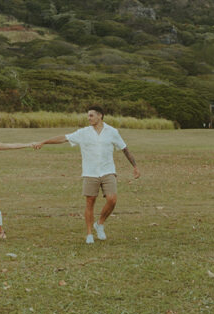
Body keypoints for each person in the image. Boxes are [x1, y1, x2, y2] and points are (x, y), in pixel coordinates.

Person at [34, 105, 140, 244]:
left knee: (112, 199)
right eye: (88, 115)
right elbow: (64, 138)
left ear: (100, 116)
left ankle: (100, 224)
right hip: (90, 173)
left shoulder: (112, 132)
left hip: (108, 171)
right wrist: (44, 141)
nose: (88, 118)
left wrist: (135, 166)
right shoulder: (83, 132)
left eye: (91, 115)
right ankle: (89, 234)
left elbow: (124, 149)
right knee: (90, 202)